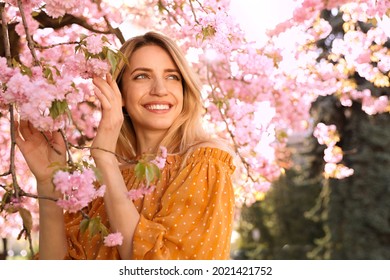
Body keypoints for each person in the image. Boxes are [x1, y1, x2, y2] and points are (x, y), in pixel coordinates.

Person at [15, 31, 236, 260]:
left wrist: (105, 157)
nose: (160, 89)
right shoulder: (100, 187)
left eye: (172, 77)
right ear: (118, 92)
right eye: (142, 76)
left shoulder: (204, 164)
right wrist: (48, 183)